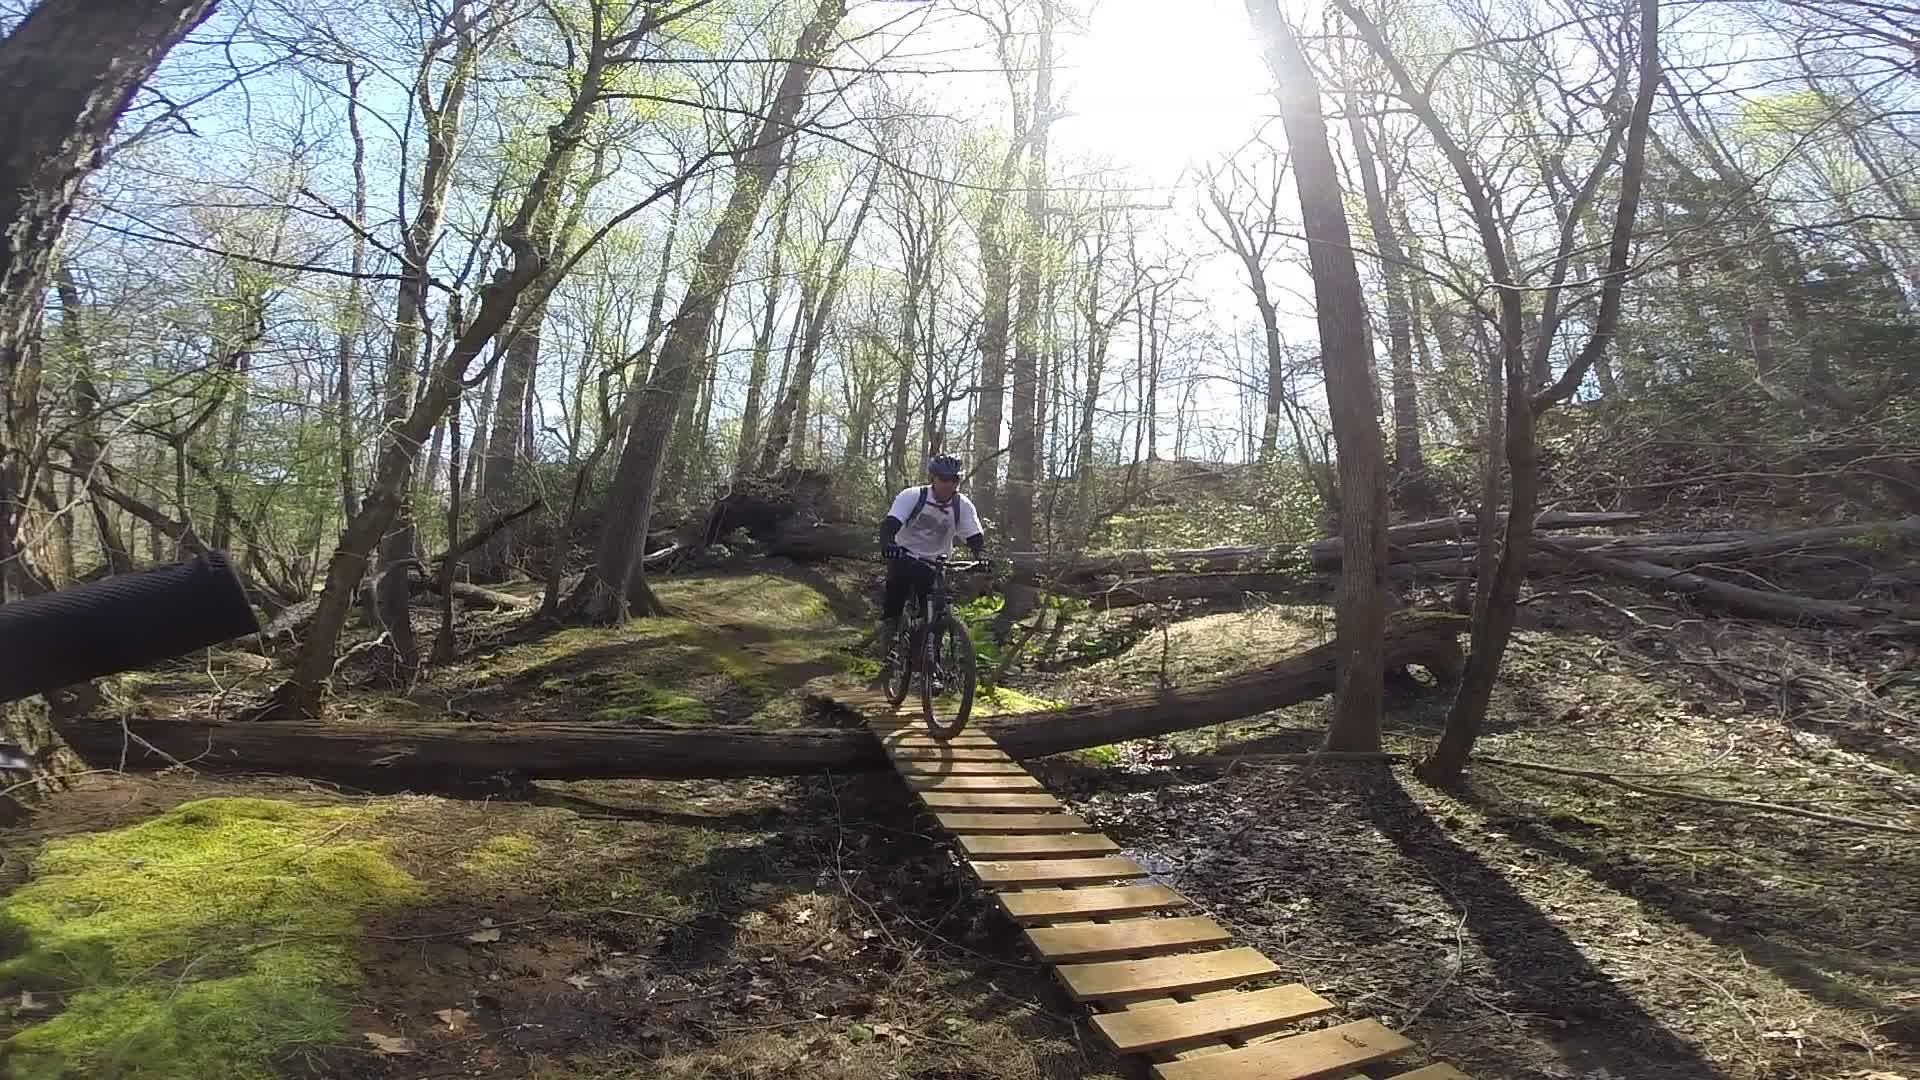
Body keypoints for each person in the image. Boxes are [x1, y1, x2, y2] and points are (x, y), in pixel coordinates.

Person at [875, 454, 987, 652]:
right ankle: (889, 637)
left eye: (954, 480)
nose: (948, 484)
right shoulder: (913, 496)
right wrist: (888, 544)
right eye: (943, 479)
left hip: (935, 563)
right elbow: (891, 524)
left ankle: (932, 662)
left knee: (936, 614)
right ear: (933, 479)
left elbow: (974, 537)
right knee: (896, 593)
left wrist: (982, 556)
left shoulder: (962, 505)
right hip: (905, 555)